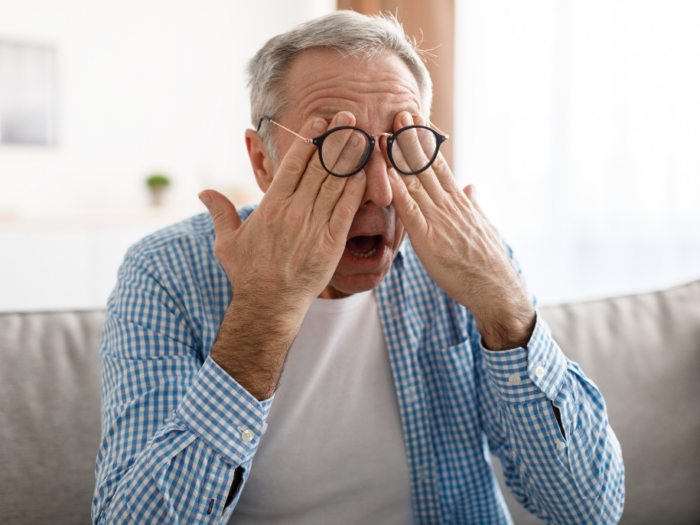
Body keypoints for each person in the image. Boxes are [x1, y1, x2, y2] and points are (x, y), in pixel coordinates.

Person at [92, 11, 624, 525]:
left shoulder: (471, 258)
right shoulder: (165, 272)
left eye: (403, 146)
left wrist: (505, 310)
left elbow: (589, 510)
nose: (382, 189)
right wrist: (264, 311)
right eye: (339, 148)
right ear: (263, 161)